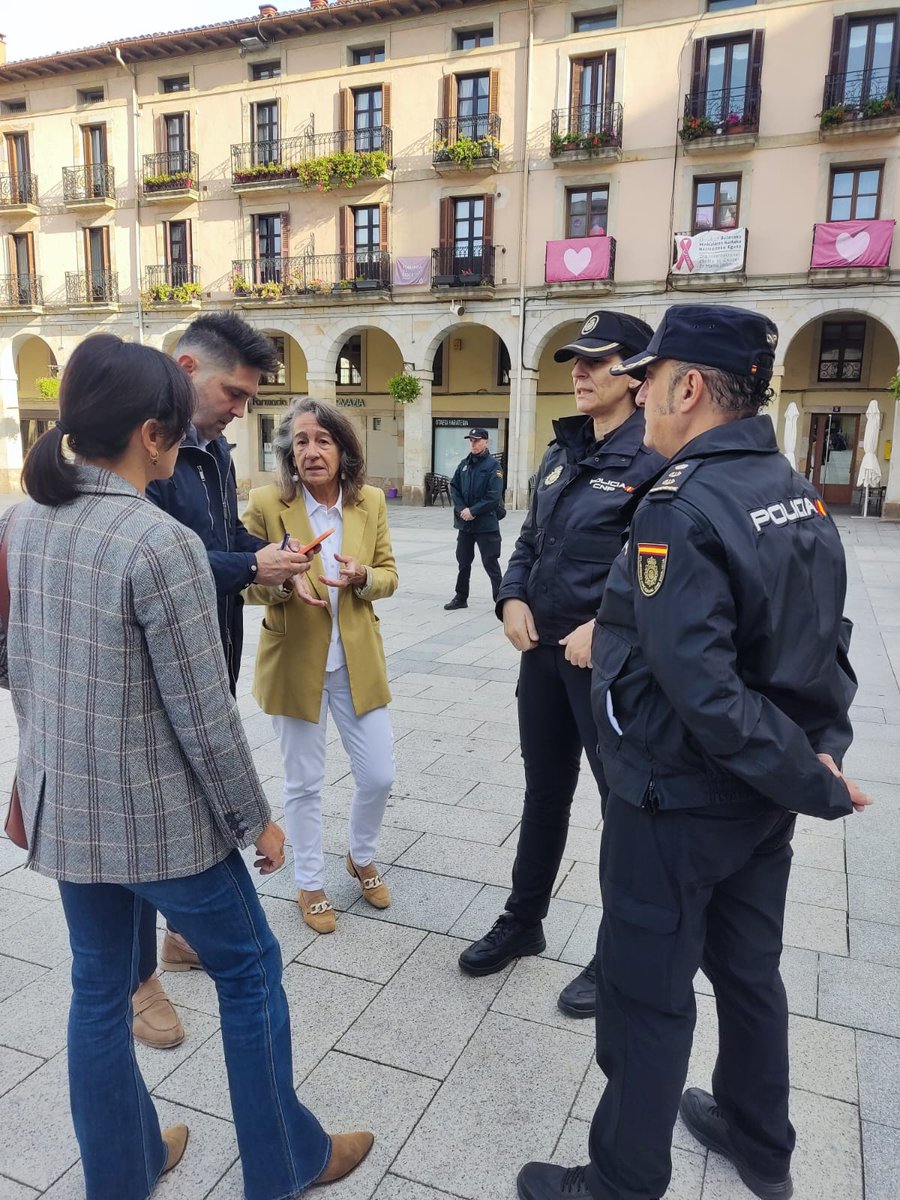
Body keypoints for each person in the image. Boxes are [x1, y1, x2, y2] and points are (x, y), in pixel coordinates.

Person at [2, 334, 374, 1200]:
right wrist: (258, 821)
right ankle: (284, 1162)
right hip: (162, 819)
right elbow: (204, 717)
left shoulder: (22, 522)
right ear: (153, 436)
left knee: (99, 991)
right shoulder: (156, 542)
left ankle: (124, 1170)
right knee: (250, 971)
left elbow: (17, 665)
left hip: (68, 805)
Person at [517, 304, 872, 1200]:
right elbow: (823, 647)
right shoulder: (793, 488)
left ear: (688, 388)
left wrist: (812, 777)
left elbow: (702, 687)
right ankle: (760, 1139)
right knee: (749, 971)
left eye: (650, 377)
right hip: (759, 798)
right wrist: (815, 753)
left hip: (677, 797)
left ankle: (621, 1180)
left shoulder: (681, 506)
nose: (640, 394)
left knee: (646, 994)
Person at [458, 312, 662, 1020]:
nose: (578, 371)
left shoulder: (655, 457)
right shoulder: (562, 449)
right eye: (576, 360)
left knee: (621, 810)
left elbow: (661, 567)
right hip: (542, 658)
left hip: (607, 668)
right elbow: (529, 540)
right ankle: (525, 921)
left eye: (595, 361)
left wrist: (606, 627)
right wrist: (510, 597)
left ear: (634, 375)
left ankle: (619, 955)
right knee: (544, 794)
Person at [133, 313, 310, 1050]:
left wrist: (273, 554)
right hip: (148, 673)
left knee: (190, 798)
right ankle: (135, 977)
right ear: (186, 370)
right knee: (141, 821)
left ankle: (181, 937)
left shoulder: (210, 453)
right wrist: (248, 566)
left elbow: (221, 539)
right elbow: (155, 562)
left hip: (211, 652)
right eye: (233, 393)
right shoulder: (134, 452)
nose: (240, 409)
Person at [243, 397, 399, 934]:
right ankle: (310, 882)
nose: (311, 451)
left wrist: (363, 577)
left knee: (379, 774)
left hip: (358, 662)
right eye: (301, 442)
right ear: (290, 452)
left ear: (343, 450)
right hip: (294, 663)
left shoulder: (369, 501)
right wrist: (282, 579)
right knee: (304, 782)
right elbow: (241, 581)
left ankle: (361, 855)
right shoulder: (266, 503)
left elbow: (389, 573)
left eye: (323, 440)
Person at [443, 427, 504, 609]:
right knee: (463, 562)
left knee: (490, 563)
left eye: (477, 440)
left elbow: (493, 496)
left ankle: (501, 600)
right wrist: (462, 509)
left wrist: (473, 511)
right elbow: (454, 487)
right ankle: (461, 597)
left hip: (485, 524)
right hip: (466, 524)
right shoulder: (464, 464)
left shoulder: (493, 466)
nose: (473, 444)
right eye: (471, 440)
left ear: (486, 441)